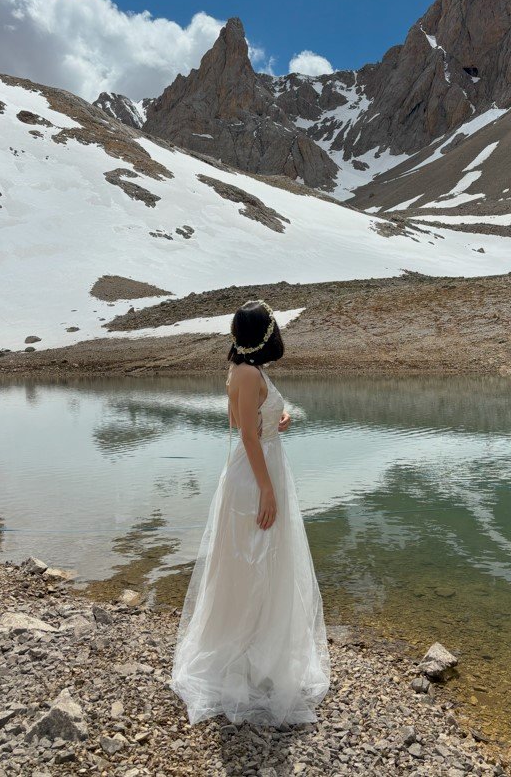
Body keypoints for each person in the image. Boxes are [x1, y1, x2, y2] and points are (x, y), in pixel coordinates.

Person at [170, 299, 331, 726]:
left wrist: (279, 419)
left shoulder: (249, 371)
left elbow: (254, 420)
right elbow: (243, 433)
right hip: (254, 478)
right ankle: (242, 660)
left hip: (265, 468)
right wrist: (266, 489)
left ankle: (261, 655)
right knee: (251, 562)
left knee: (265, 561)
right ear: (265, 333)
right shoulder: (244, 372)